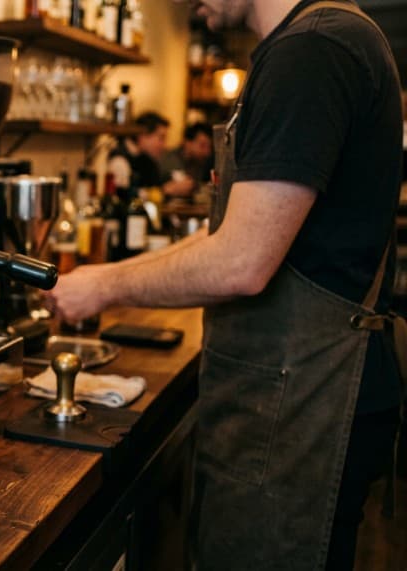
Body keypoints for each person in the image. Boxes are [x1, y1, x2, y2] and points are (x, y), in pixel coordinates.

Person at [49, 0, 404, 568]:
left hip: (307, 398)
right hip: (289, 389)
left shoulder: (312, 50)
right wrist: (101, 276)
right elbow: (228, 233)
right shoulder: (315, 43)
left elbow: (241, 261)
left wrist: (105, 286)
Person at [106, 111, 170, 193]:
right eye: (161, 138)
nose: (164, 145)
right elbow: (121, 197)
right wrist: (164, 190)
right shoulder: (119, 160)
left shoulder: (147, 160)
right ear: (143, 135)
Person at [158, 122, 214, 199]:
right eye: (202, 145)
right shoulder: (171, 160)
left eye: (209, 147)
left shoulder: (200, 162)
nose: (207, 152)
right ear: (187, 143)